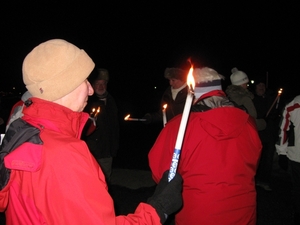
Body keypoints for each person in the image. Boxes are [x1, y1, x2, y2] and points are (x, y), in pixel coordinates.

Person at [0, 39, 183, 224]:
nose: (90, 90)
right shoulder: (65, 155)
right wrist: (159, 208)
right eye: (84, 81)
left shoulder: (21, 131)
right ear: (65, 86)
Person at [148, 67, 262, 225]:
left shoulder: (181, 126)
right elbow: (253, 163)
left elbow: (161, 173)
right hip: (243, 212)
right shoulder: (248, 123)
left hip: (197, 213)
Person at [83, 68, 119, 183]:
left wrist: (114, 146)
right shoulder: (87, 102)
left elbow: (115, 126)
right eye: (98, 84)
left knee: (106, 179)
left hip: (107, 150)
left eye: (103, 83)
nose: (100, 86)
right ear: (92, 85)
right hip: (91, 150)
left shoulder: (111, 101)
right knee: (91, 179)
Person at [275, 95, 300, 224]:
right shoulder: (294, 104)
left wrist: (282, 152)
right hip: (297, 156)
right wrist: (282, 152)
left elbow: (283, 130)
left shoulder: (294, 103)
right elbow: (283, 130)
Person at [252, 80, 278, 191]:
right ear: (255, 87)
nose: (261, 87)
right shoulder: (252, 100)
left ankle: (264, 181)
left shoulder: (270, 99)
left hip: (269, 134)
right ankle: (255, 180)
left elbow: (274, 113)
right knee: (257, 158)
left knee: (268, 158)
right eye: (259, 85)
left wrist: (272, 117)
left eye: (263, 85)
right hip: (257, 134)